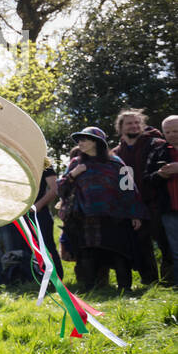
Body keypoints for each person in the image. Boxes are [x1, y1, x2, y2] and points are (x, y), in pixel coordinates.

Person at [58, 127, 146, 294]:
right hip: (85, 217)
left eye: (85, 139)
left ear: (97, 142)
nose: (80, 143)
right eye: (79, 140)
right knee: (87, 254)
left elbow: (129, 189)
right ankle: (90, 289)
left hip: (115, 217)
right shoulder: (75, 163)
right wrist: (74, 174)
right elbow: (61, 189)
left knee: (121, 254)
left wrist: (135, 213)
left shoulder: (116, 162)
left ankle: (125, 290)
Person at [113, 108, 169, 285]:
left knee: (165, 242)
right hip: (133, 206)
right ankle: (150, 281)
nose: (134, 126)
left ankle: (170, 282)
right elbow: (121, 184)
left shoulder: (157, 144)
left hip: (157, 201)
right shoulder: (116, 153)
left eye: (137, 122)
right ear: (121, 127)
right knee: (141, 244)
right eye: (129, 123)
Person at [144, 115, 178, 279]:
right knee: (176, 251)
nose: (172, 134)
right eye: (168, 131)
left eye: (176, 130)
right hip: (169, 209)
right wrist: (160, 175)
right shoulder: (158, 152)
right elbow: (147, 180)